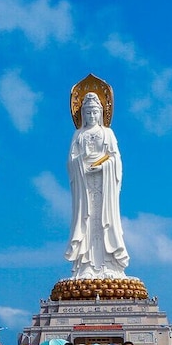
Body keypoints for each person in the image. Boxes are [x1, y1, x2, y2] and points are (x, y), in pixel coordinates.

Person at [65, 90, 129, 279]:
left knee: (105, 222)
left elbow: (116, 160)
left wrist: (104, 166)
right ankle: (86, 266)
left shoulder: (107, 133)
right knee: (86, 222)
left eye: (95, 112)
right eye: (88, 112)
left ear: (101, 114)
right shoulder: (78, 134)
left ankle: (109, 264)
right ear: (82, 114)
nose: (91, 116)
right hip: (84, 186)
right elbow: (71, 161)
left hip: (104, 185)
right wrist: (81, 163)